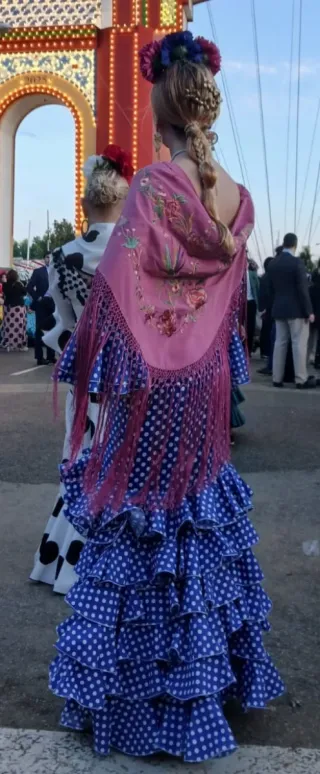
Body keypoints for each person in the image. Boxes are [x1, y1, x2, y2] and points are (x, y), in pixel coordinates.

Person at [49, 32, 283, 762]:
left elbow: (116, 295)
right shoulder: (237, 198)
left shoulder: (152, 186)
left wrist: (87, 368)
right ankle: (206, 685)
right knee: (200, 515)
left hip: (154, 378)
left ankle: (134, 700)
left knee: (140, 514)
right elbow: (228, 289)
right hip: (207, 375)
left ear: (160, 107)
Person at [30, 145, 133, 594]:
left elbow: (58, 328)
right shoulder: (138, 252)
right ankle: (120, 563)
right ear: (123, 199)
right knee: (128, 459)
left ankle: (65, 558)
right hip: (134, 375)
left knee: (83, 458)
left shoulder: (60, 257)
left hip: (88, 370)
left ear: (86, 202)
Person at [268, 233, 314, 389]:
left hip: (279, 309)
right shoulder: (297, 263)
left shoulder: (273, 263)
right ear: (295, 244)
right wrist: (309, 311)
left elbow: (271, 289)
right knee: (298, 344)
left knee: (279, 343)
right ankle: (301, 379)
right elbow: (302, 289)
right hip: (296, 311)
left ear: (283, 243)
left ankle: (277, 378)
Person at [27, 255, 56, 365]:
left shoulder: (57, 271)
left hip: (53, 303)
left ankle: (51, 356)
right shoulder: (38, 271)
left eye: (51, 257)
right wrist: (37, 297)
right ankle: (39, 357)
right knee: (40, 330)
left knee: (53, 330)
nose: (49, 259)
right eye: (47, 257)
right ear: (44, 259)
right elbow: (29, 287)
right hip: (41, 302)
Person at [0, 269, 28, 351]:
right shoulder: (18, 284)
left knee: (8, 325)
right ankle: (18, 344)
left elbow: (6, 293)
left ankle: (8, 343)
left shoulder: (5, 285)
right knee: (19, 325)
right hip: (18, 308)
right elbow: (24, 292)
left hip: (8, 307)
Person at [246, 258, 260, 355]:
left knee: (250, 326)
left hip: (251, 302)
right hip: (240, 303)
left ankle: (249, 349)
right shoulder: (236, 274)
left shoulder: (252, 274)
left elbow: (258, 289)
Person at [309, 267, 320, 369]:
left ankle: (311, 356)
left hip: (312, 316)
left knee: (311, 338)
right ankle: (315, 356)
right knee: (317, 339)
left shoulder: (311, 289)